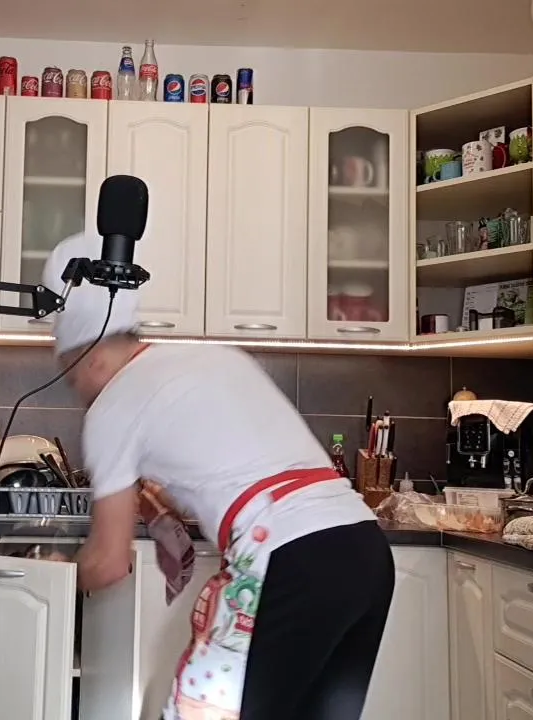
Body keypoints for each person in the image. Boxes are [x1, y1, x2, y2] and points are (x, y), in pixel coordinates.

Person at [42, 232, 396, 720]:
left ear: (93, 357)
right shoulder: (214, 357)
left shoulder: (110, 408)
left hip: (291, 559)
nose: (77, 390)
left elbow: (108, 563)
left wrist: (54, 574)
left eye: (72, 376)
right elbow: (231, 467)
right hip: (365, 552)